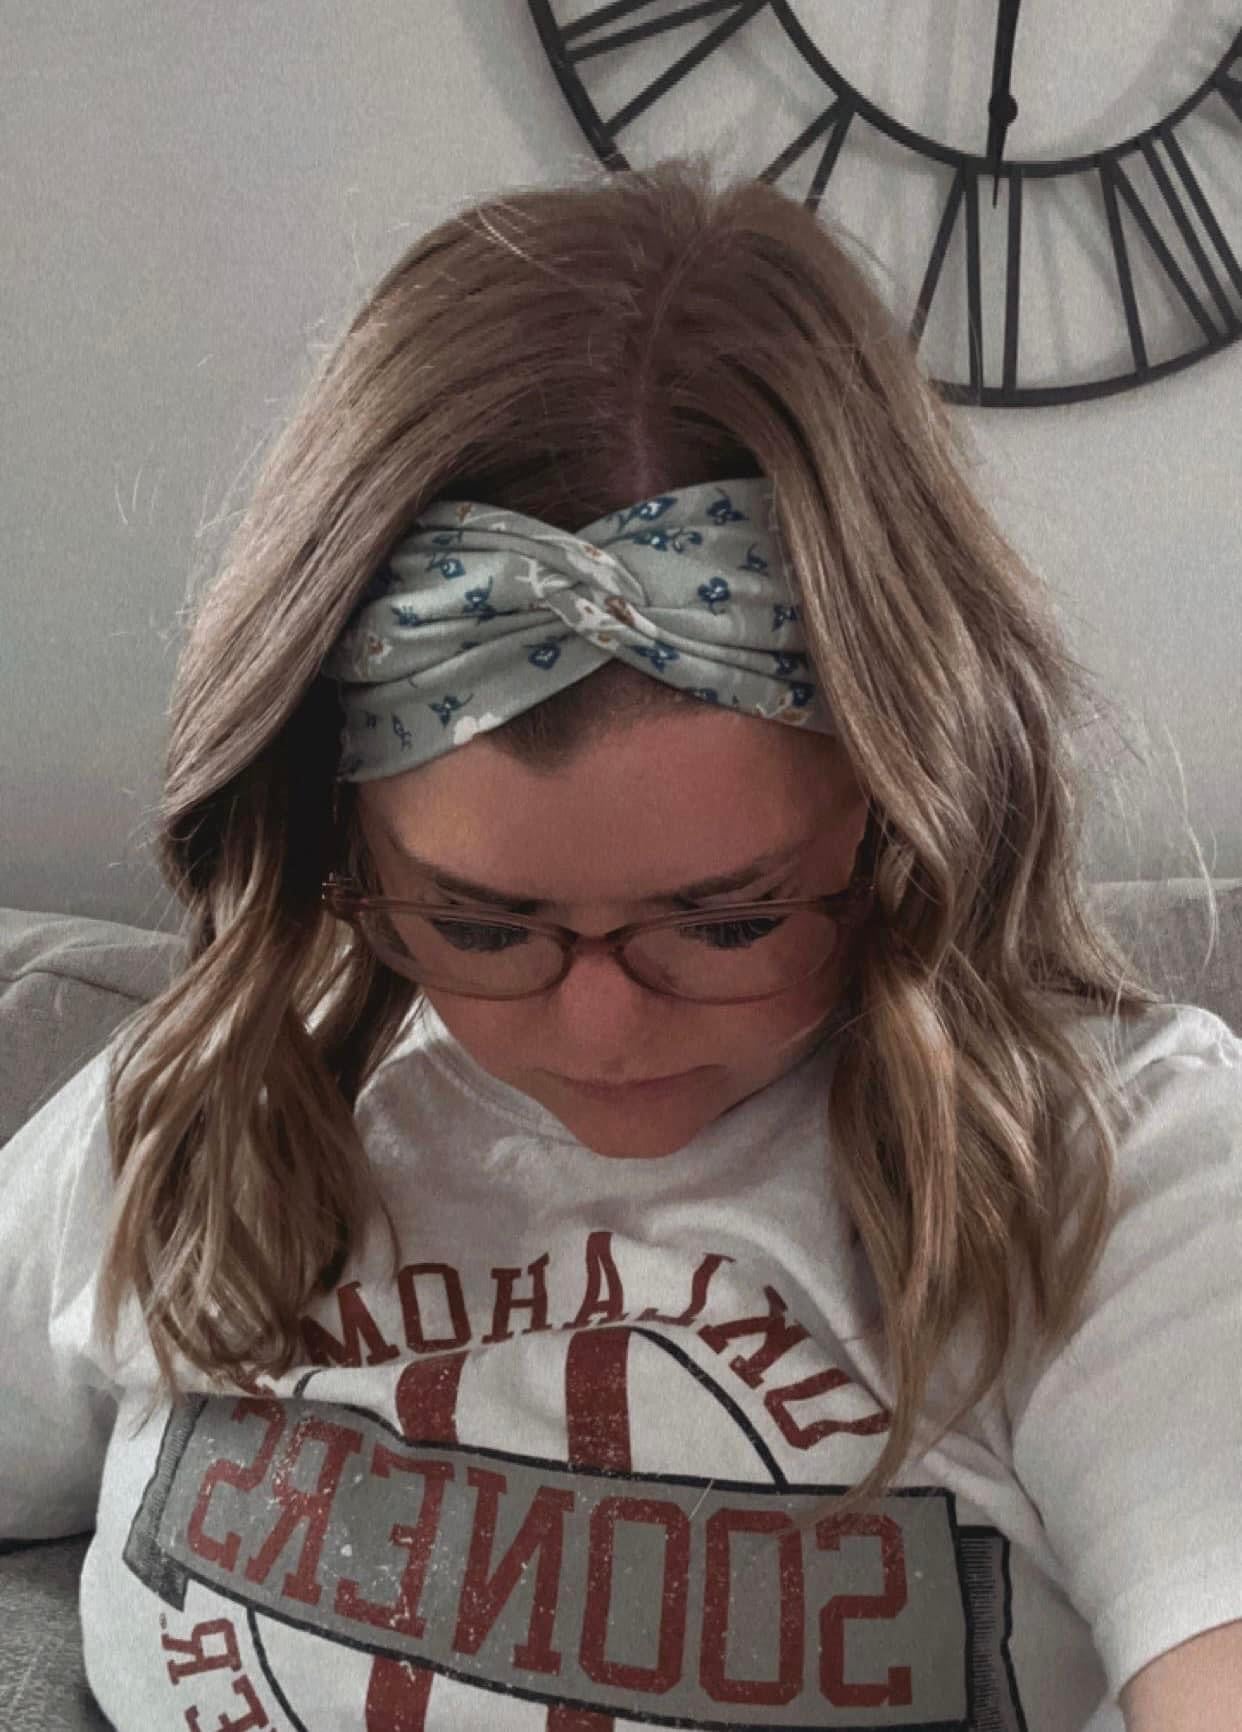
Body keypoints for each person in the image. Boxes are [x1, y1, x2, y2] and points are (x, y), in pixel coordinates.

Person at [2, 155, 1239, 1730]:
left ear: (904, 815)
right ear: (330, 837)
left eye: (727, 919)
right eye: (479, 922)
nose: (599, 1031)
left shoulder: (1119, 1171)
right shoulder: (205, 1103)